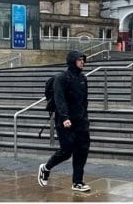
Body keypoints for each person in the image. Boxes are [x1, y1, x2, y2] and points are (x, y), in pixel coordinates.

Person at [38, 51, 91, 193]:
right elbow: (59, 99)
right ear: (72, 61)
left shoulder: (83, 78)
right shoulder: (61, 78)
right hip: (65, 121)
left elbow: (84, 100)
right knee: (67, 151)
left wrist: (85, 117)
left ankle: (77, 182)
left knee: (82, 151)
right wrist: (65, 117)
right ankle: (46, 167)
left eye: (83, 60)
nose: (82, 62)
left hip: (81, 121)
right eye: (79, 60)